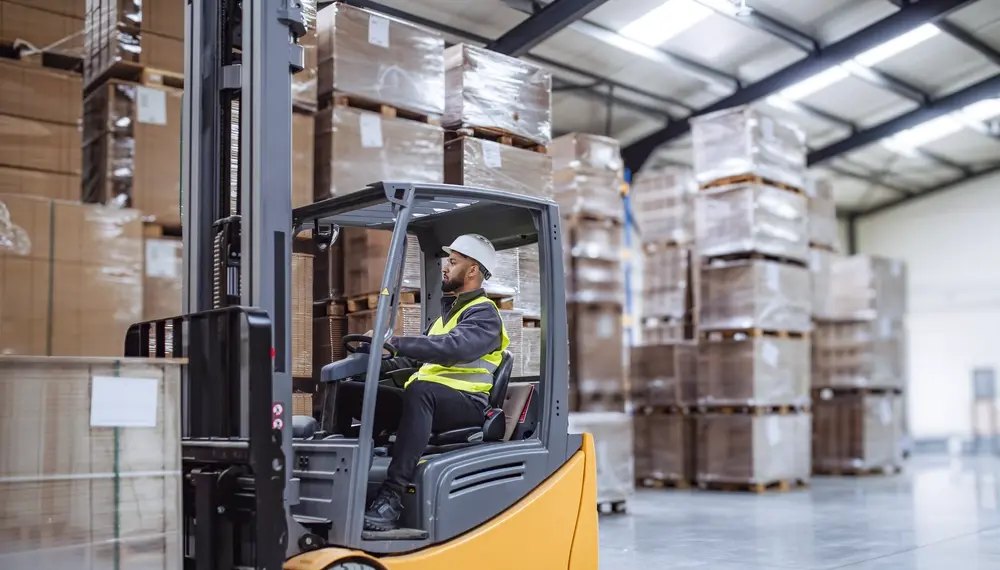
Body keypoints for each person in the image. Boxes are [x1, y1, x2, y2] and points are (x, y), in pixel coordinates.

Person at [330, 233, 510, 531]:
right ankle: (344, 476)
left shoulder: (484, 315)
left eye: (453, 262)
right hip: (430, 400)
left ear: (473, 270)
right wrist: (376, 357)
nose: (446, 267)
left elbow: (454, 349)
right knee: (352, 391)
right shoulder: (445, 318)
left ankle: (391, 497)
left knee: (420, 390)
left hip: (467, 405)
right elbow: (415, 362)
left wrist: (395, 341)